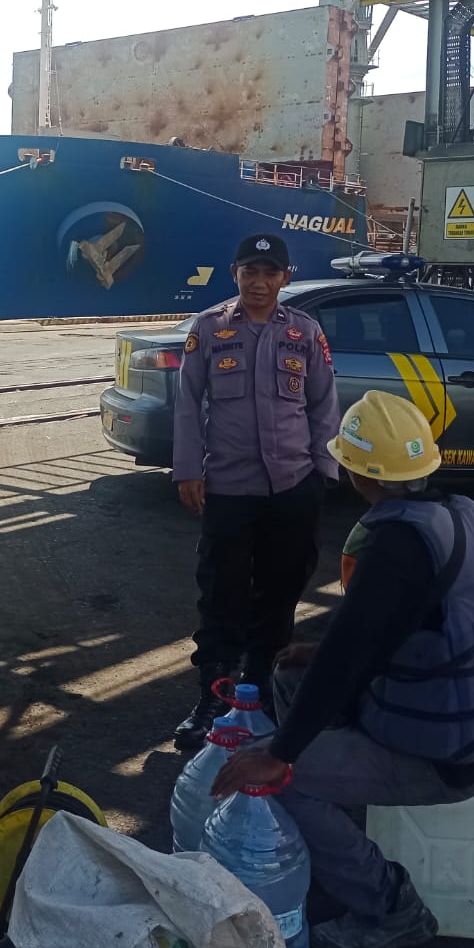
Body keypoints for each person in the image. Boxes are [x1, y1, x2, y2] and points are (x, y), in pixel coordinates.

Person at [213, 391, 474, 948]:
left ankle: (391, 906)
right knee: (290, 679)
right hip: (472, 727)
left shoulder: (398, 546)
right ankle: (332, 834)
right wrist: (315, 657)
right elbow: (406, 632)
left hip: (445, 758)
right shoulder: (463, 516)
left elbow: (346, 658)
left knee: (281, 778)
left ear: (360, 474)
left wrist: (279, 754)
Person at [169, 232, 340, 747]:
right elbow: (187, 403)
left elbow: (323, 406)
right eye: (250, 272)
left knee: (280, 591)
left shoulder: (305, 332)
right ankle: (213, 697)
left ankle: (261, 690)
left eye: (270, 273)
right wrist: (187, 471)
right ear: (235, 274)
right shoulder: (209, 328)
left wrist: (321, 474)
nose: (259, 283)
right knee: (220, 592)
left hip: (293, 486)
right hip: (227, 487)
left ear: (285, 277)